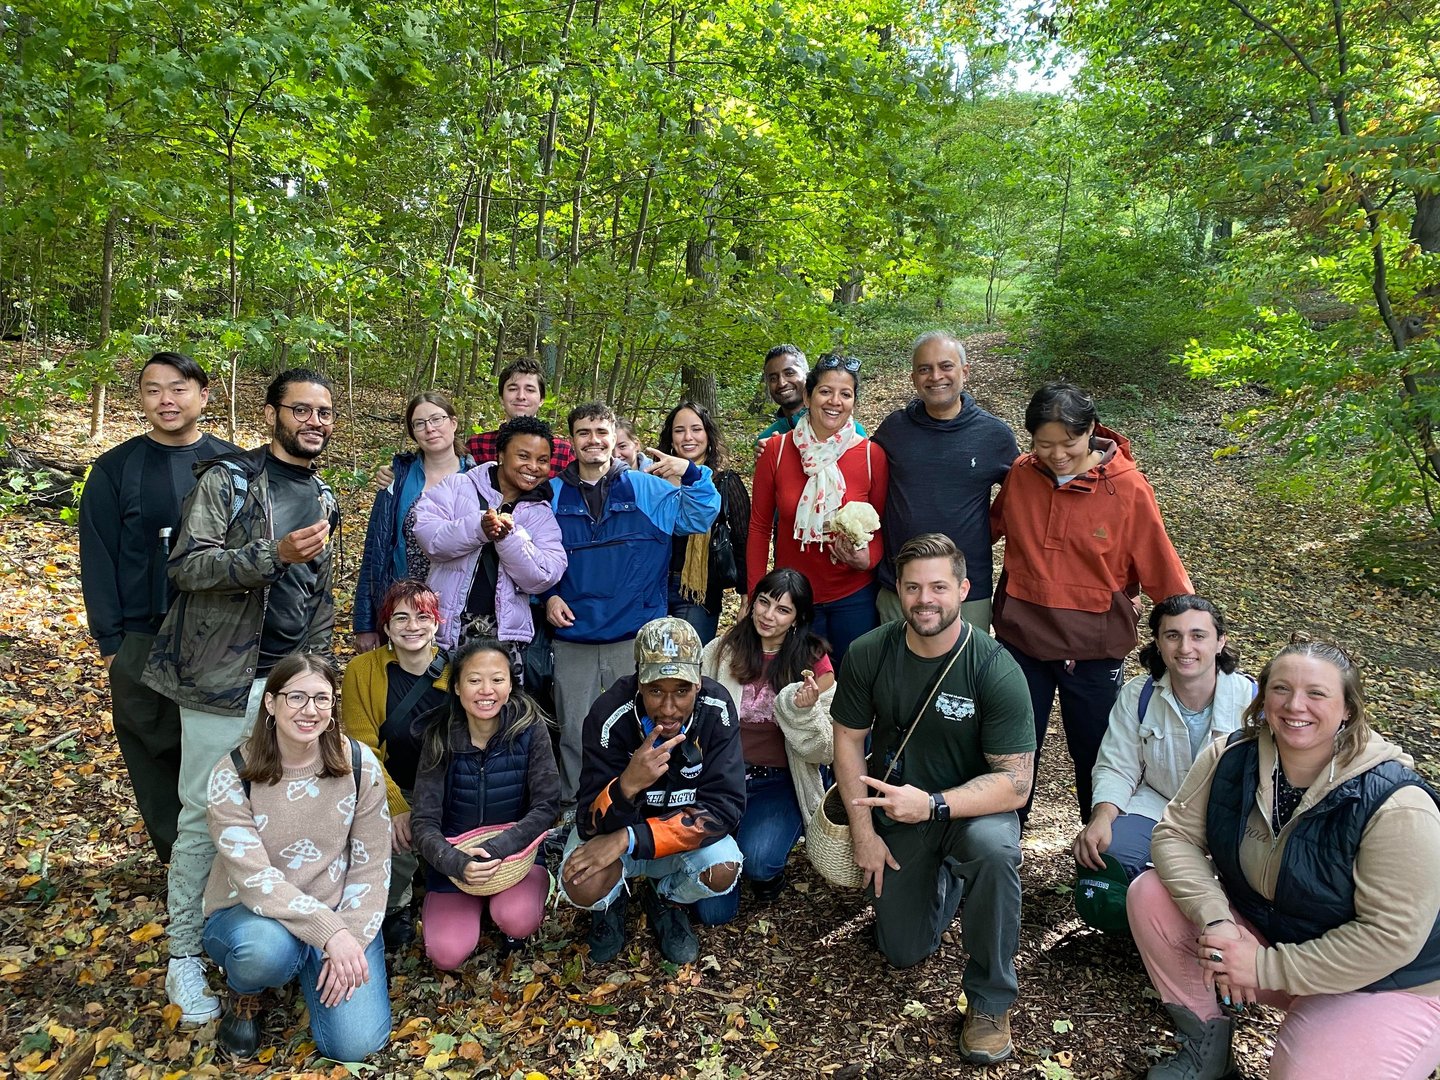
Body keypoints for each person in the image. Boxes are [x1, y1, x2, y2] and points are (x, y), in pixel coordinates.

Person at [1128, 638, 1440, 1080]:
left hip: (1386, 982)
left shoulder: (1397, 804)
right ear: (1263, 699)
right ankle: (1206, 1050)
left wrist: (1262, 968)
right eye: (1281, 689)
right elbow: (1175, 835)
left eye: (1316, 693)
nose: (1295, 705)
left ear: (1348, 709)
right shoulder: (1230, 757)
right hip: (1272, 938)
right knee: (1151, 893)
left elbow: (1390, 937)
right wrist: (1217, 922)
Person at [144, 368, 341, 1023]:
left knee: (280, 810)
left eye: (324, 413)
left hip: (288, 687)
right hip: (220, 681)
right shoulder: (228, 480)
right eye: (301, 410)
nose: (314, 422)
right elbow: (186, 567)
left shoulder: (325, 495)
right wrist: (271, 554)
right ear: (272, 414)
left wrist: (318, 677)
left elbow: (319, 596)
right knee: (204, 815)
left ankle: (263, 941)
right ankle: (182, 955)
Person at [832, 534, 1035, 1065]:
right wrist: (863, 833)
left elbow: (1016, 784)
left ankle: (990, 1001)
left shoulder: (994, 668)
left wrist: (935, 804)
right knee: (901, 950)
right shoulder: (869, 652)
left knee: (994, 852)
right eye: (913, 587)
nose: (926, 599)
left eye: (939, 587)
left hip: (969, 811)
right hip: (898, 809)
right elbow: (848, 741)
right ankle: (945, 881)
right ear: (897, 590)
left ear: (963, 590)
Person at [990, 382, 1191, 825]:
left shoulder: (1128, 488)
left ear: (1092, 431)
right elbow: (986, 528)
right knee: (1015, 745)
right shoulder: (1022, 474)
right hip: (1021, 637)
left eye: (1069, 442)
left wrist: (1192, 636)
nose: (1057, 455)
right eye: (1044, 444)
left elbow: (1162, 568)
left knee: (1096, 749)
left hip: (1095, 648)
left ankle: (1098, 841)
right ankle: (1003, 838)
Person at [78, 351, 239, 864]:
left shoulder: (233, 465)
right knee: (153, 750)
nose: (166, 400)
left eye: (178, 388)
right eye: (153, 390)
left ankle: (230, 862)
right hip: (141, 636)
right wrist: (111, 641)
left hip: (218, 636)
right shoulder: (116, 468)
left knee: (220, 753)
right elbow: (98, 556)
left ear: (203, 396)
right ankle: (179, 863)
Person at [201, 654, 391, 1063]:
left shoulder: (359, 765)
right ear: (271, 703)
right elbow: (255, 879)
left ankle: (313, 960)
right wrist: (328, 933)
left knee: (355, 1045)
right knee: (266, 951)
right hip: (253, 916)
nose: (310, 710)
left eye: (322, 699)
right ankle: (246, 992)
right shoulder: (233, 773)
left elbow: (373, 864)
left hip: (337, 912)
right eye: (296, 697)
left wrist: (350, 936)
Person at [544, 403, 720, 812]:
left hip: (636, 635)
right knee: (575, 731)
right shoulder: (551, 494)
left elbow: (699, 515)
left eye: (601, 432)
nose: (593, 440)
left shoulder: (646, 488)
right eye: (583, 432)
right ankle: (577, 809)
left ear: (614, 438)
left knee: (643, 725)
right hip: (573, 634)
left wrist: (691, 473)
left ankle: (644, 804)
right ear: (571, 441)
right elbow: (528, 552)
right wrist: (547, 594)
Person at [558, 618, 744, 965]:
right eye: (656, 691)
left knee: (723, 869)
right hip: (617, 838)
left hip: (669, 838)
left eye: (682, 691)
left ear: (698, 681)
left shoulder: (717, 709)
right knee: (581, 882)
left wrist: (630, 838)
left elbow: (724, 809)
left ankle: (665, 899)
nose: (669, 708)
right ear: (638, 681)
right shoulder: (609, 714)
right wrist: (628, 784)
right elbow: (587, 822)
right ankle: (611, 901)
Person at [1073, 594, 1252, 884]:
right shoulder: (1139, 694)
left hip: (1232, 819)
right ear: (1157, 642)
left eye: (1198, 636)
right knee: (1107, 857)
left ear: (1220, 642)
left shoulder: (1253, 701)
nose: (1185, 648)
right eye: (1172, 635)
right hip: (1162, 804)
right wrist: (1102, 817)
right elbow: (1117, 766)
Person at [409, 638, 560, 970]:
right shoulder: (440, 736)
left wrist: (497, 849)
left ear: (510, 685)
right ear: (457, 687)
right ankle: (468, 909)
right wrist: (454, 862)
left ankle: (509, 912)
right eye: (474, 680)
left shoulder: (529, 728)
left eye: (497, 679)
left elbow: (547, 804)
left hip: (516, 856)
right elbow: (423, 821)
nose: (486, 690)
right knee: (446, 953)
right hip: (454, 860)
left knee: (517, 919)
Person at [695, 568, 834, 923]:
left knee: (759, 860)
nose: (769, 615)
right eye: (764, 602)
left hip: (777, 781)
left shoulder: (813, 662)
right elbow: (695, 713)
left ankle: (766, 871)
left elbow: (826, 749)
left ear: (797, 618)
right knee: (713, 914)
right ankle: (730, 851)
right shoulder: (722, 650)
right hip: (722, 779)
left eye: (783, 610)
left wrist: (804, 713)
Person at [747, 353, 889, 667]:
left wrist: (868, 559)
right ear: (808, 397)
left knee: (853, 685)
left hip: (854, 597)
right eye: (825, 391)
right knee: (799, 687)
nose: (835, 401)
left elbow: (881, 527)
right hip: (792, 599)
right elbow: (758, 527)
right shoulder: (775, 451)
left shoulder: (871, 455)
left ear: (854, 402)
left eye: (845, 394)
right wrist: (755, 595)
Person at [871, 332, 1017, 631]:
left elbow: (1025, 496)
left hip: (966, 589)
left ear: (965, 371)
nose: (936, 376)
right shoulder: (894, 430)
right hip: (900, 586)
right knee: (896, 661)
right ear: (913, 378)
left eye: (946, 366)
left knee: (963, 662)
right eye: (924, 369)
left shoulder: (994, 435)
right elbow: (858, 471)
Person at [339, 581, 449, 952]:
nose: (412, 626)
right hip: (391, 784)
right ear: (386, 626)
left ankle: (443, 889)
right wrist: (397, 805)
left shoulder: (457, 670)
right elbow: (362, 749)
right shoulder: (362, 671)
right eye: (400, 618)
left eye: (422, 617)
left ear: (437, 623)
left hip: (446, 788)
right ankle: (395, 905)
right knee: (388, 829)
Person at [413, 416, 567, 676]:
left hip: (504, 635)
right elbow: (430, 539)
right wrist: (479, 528)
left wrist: (509, 537)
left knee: (495, 701)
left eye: (542, 460)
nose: (533, 467)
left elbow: (544, 576)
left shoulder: (540, 512)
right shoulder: (458, 486)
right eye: (523, 456)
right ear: (501, 454)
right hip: (446, 628)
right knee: (442, 698)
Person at [353, 392, 472, 652]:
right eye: (420, 423)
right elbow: (375, 550)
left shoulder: (478, 478)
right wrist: (365, 623)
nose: (430, 429)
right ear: (413, 432)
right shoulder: (398, 479)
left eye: (437, 419)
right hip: (402, 609)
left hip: (458, 612)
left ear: (453, 423)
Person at [658, 400, 750, 643]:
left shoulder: (725, 481)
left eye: (696, 429)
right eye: (679, 430)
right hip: (653, 589)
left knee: (689, 662)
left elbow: (743, 541)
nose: (688, 437)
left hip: (699, 594)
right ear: (671, 438)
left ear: (708, 435)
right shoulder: (655, 479)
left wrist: (746, 597)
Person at [465, 358, 575, 478]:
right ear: (501, 398)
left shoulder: (563, 452)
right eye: (513, 389)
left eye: (530, 390)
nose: (521, 396)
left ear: (541, 399)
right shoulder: (477, 446)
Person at [754, 344, 868, 447]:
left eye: (789, 373)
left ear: (807, 375)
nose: (781, 383)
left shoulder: (849, 431)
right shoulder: (766, 440)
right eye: (773, 378)